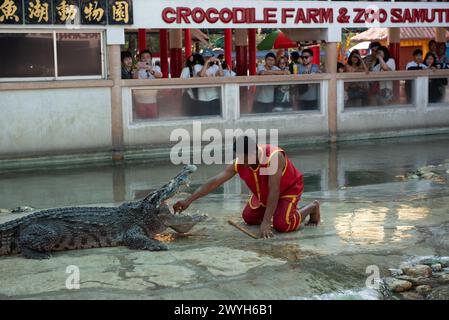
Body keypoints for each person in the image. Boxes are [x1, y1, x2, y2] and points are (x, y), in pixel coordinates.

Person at [173, 135, 321, 238]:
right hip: (263, 193)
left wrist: (266, 222)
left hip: (287, 190)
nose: (243, 163)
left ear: (255, 150)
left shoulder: (274, 157)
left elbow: (275, 190)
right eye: (240, 158)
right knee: (248, 218)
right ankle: (274, 211)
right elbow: (215, 181)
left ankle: (312, 207)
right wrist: (188, 200)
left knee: (282, 225)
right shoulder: (241, 161)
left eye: (246, 159)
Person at [193, 48, 224, 116]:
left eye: (209, 57)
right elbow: (201, 74)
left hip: (214, 97)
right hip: (202, 98)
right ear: (202, 57)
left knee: (215, 117)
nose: (207, 58)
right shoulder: (197, 66)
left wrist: (218, 62)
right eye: (205, 57)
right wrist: (207, 62)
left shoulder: (215, 67)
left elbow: (221, 75)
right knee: (203, 117)